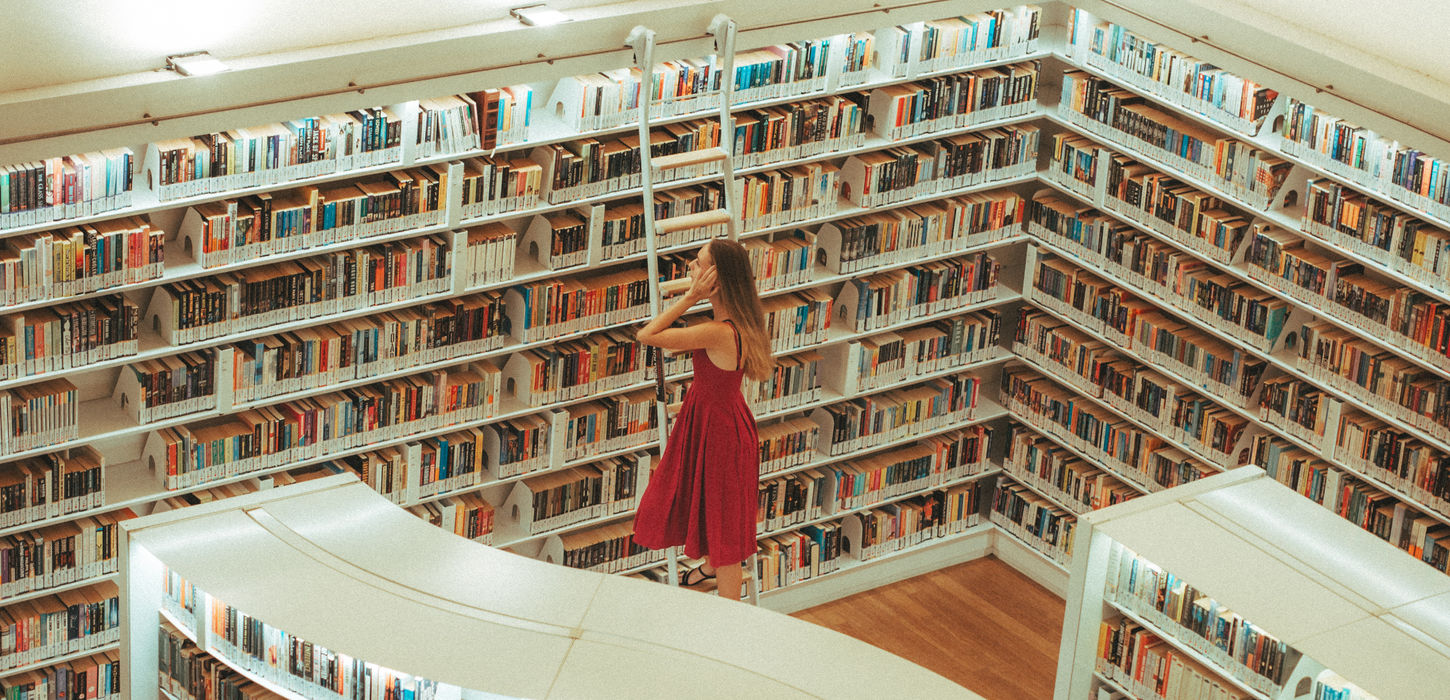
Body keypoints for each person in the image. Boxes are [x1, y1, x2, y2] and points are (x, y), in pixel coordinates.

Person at [632, 238, 773, 600]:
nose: (690, 270)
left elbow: (648, 335)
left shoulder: (716, 331)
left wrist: (690, 297)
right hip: (720, 420)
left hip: (718, 430)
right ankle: (709, 565)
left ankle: (730, 614)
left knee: (724, 525)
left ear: (716, 278)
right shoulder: (741, 319)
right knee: (715, 506)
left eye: (697, 264)